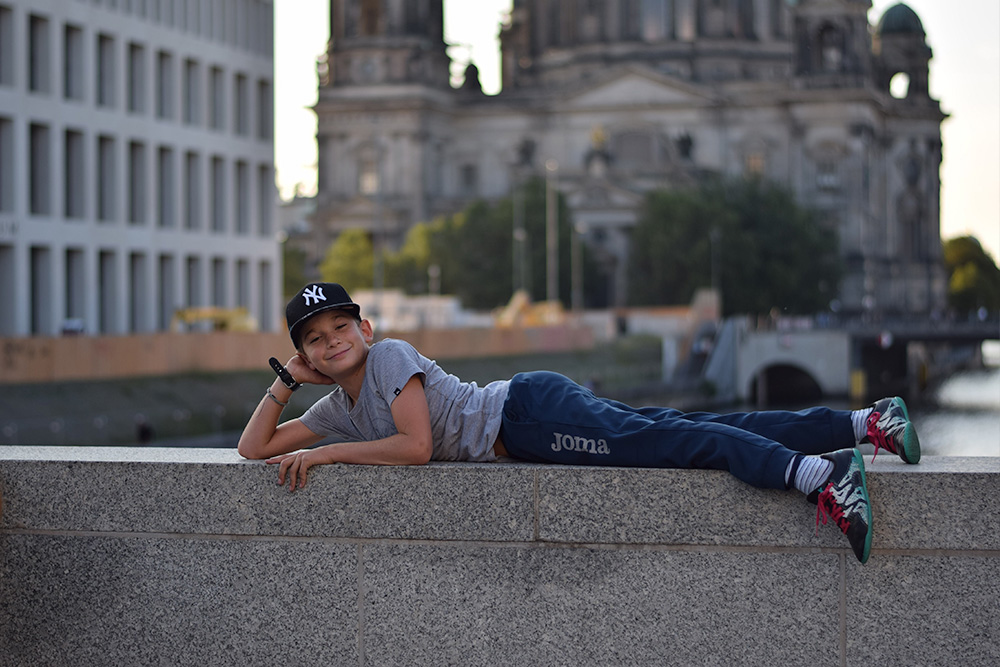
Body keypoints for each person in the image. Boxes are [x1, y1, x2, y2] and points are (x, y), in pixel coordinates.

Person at [239, 283, 922, 564]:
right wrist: (285, 383)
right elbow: (253, 447)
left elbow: (416, 447)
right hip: (531, 420)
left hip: (531, 416)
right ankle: (866, 421)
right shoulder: (337, 406)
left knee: (678, 443)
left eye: (339, 328)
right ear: (306, 352)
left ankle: (819, 475)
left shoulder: (388, 357)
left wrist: (327, 458)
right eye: (315, 340)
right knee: (690, 425)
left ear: (364, 326)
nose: (332, 344)